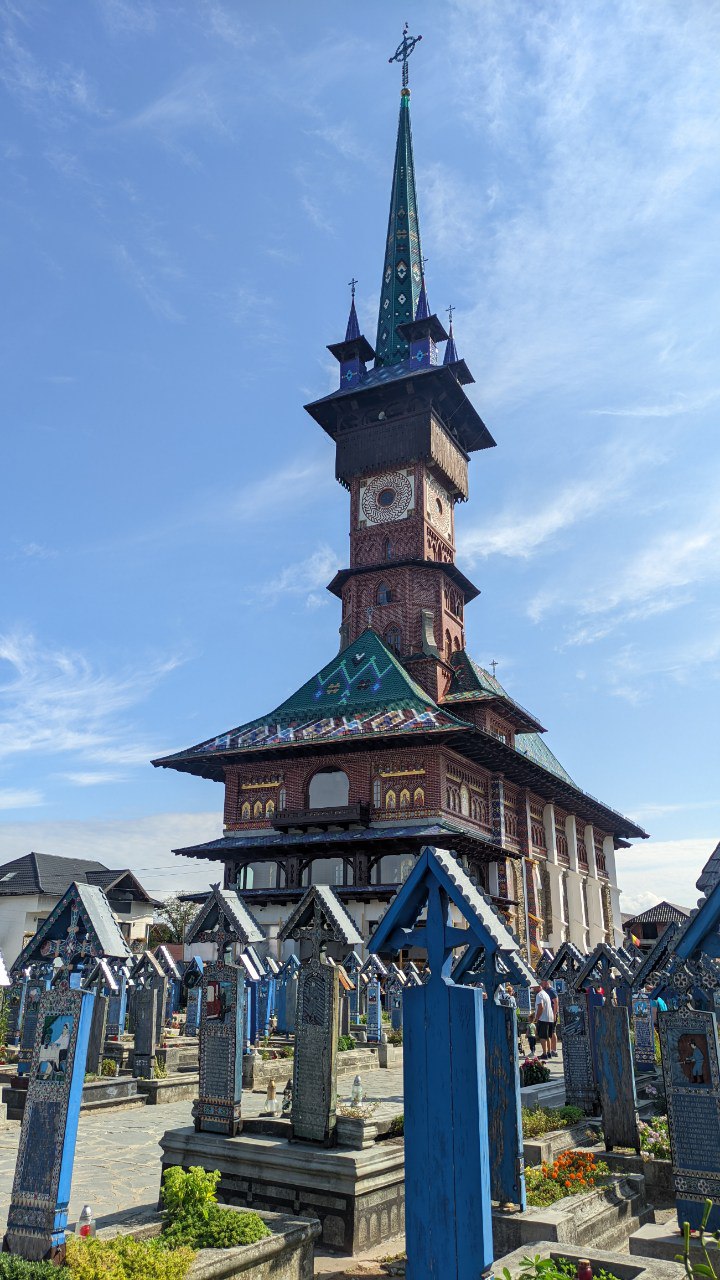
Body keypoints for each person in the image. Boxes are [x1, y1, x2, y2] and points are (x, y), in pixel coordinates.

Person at [534, 984, 554, 1060]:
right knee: (548, 1036)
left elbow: (541, 1007)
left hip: (543, 1018)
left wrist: (537, 1017)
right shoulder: (546, 994)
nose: (533, 989)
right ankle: (549, 1052)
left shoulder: (539, 995)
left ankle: (544, 1054)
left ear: (539, 987)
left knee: (542, 1036)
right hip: (550, 1018)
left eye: (534, 987)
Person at [542, 979, 560, 1058]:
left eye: (543, 982)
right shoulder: (545, 990)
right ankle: (550, 1049)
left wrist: (554, 1014)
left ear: (546, 982)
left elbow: (556, 1002)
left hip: (552, 1013)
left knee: (552, 1031)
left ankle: (554, 1050)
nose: (542, 984)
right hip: (548, 1013)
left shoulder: (552, 991)